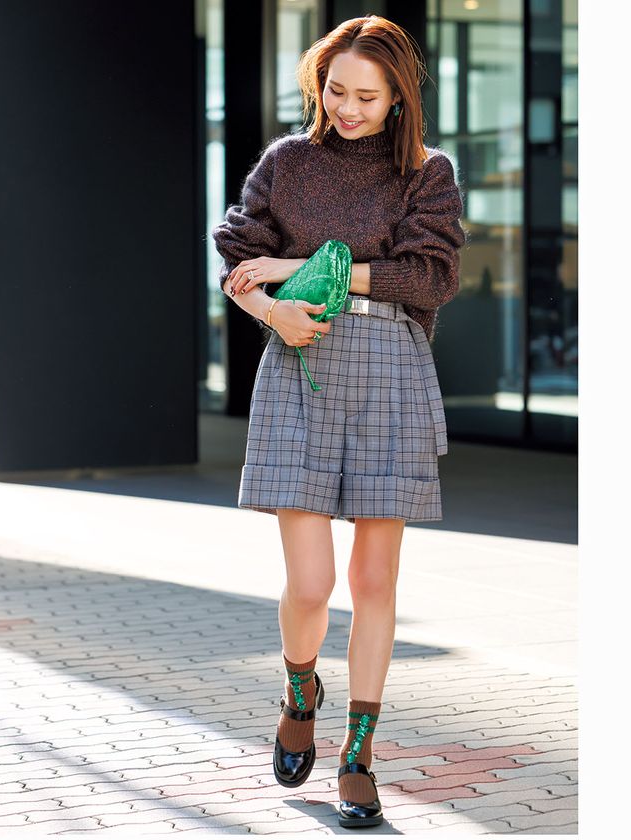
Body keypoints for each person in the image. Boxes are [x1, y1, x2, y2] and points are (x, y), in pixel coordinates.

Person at [211, 14, 467, 830]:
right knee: (312, 584)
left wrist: (305, 265)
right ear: (317, 84)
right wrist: (272, 312)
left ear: (397, 100)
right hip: (301, 365)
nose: (348, 108)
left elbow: (426, 280)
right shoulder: (288, 163)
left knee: (375, 583)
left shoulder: (426, 172)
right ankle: (299, 689)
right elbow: (237, 257)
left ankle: (359, 754)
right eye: (336, 90)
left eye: (367, 96)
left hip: (391, 370)